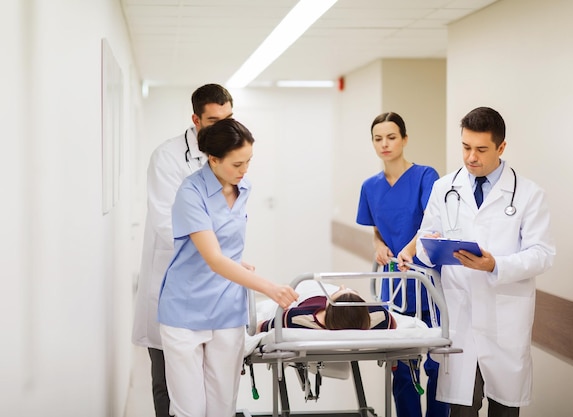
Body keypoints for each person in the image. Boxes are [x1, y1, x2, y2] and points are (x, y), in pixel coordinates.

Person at [398, 106, 555, 417]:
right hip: (462, 322)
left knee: (505, 410)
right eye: (466, 147)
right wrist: (423, 251)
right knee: (461, 411)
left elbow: (542, 254)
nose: (471, 157)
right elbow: (427, 237)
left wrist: (495, 265)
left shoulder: (528, 194)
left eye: (481, 149)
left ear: (501, 147)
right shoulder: (444, 188)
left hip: (505, 323)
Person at [157, 118, 299, 417]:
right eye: (237, 164)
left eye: (248, 161)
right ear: (213, 159)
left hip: (226, 308)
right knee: (190, 411)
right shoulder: (190, 193)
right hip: (185, 309)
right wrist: (270, 288)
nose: (244, 170)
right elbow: (214, 259)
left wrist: (238, 263)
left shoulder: (243, 187)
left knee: (222, 406)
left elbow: (224, 246)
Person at [131, 84, 234, 417]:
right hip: (173, 283)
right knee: (168, 385)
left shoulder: (231, 153)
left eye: (229, 118)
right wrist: (213, 250)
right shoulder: (168, 157)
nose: (224, 127)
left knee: (211, 385)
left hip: (213, 289)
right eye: (215, 119)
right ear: (196, 119)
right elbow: (166, 222)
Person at [356, 112, 448, 417]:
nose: (385, 144)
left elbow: (430, 225)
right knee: (402, 369)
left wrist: (408, 251)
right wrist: (379, 247)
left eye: (391, 137)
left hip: (425, 279)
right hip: (394, 283)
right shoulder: (370, 187)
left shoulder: (426, 177)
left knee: (437, 365)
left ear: (404, 139)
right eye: (378, 138)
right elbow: (378, 232)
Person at [257, 285, 397, 333]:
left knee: (263, 308)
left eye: (339, 291)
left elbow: (262, 327)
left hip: (303, 293)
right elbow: (392, 322)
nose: (341, 286)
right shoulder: (379, 316)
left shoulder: (294, 318)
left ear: (328, 305)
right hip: (314, 289)